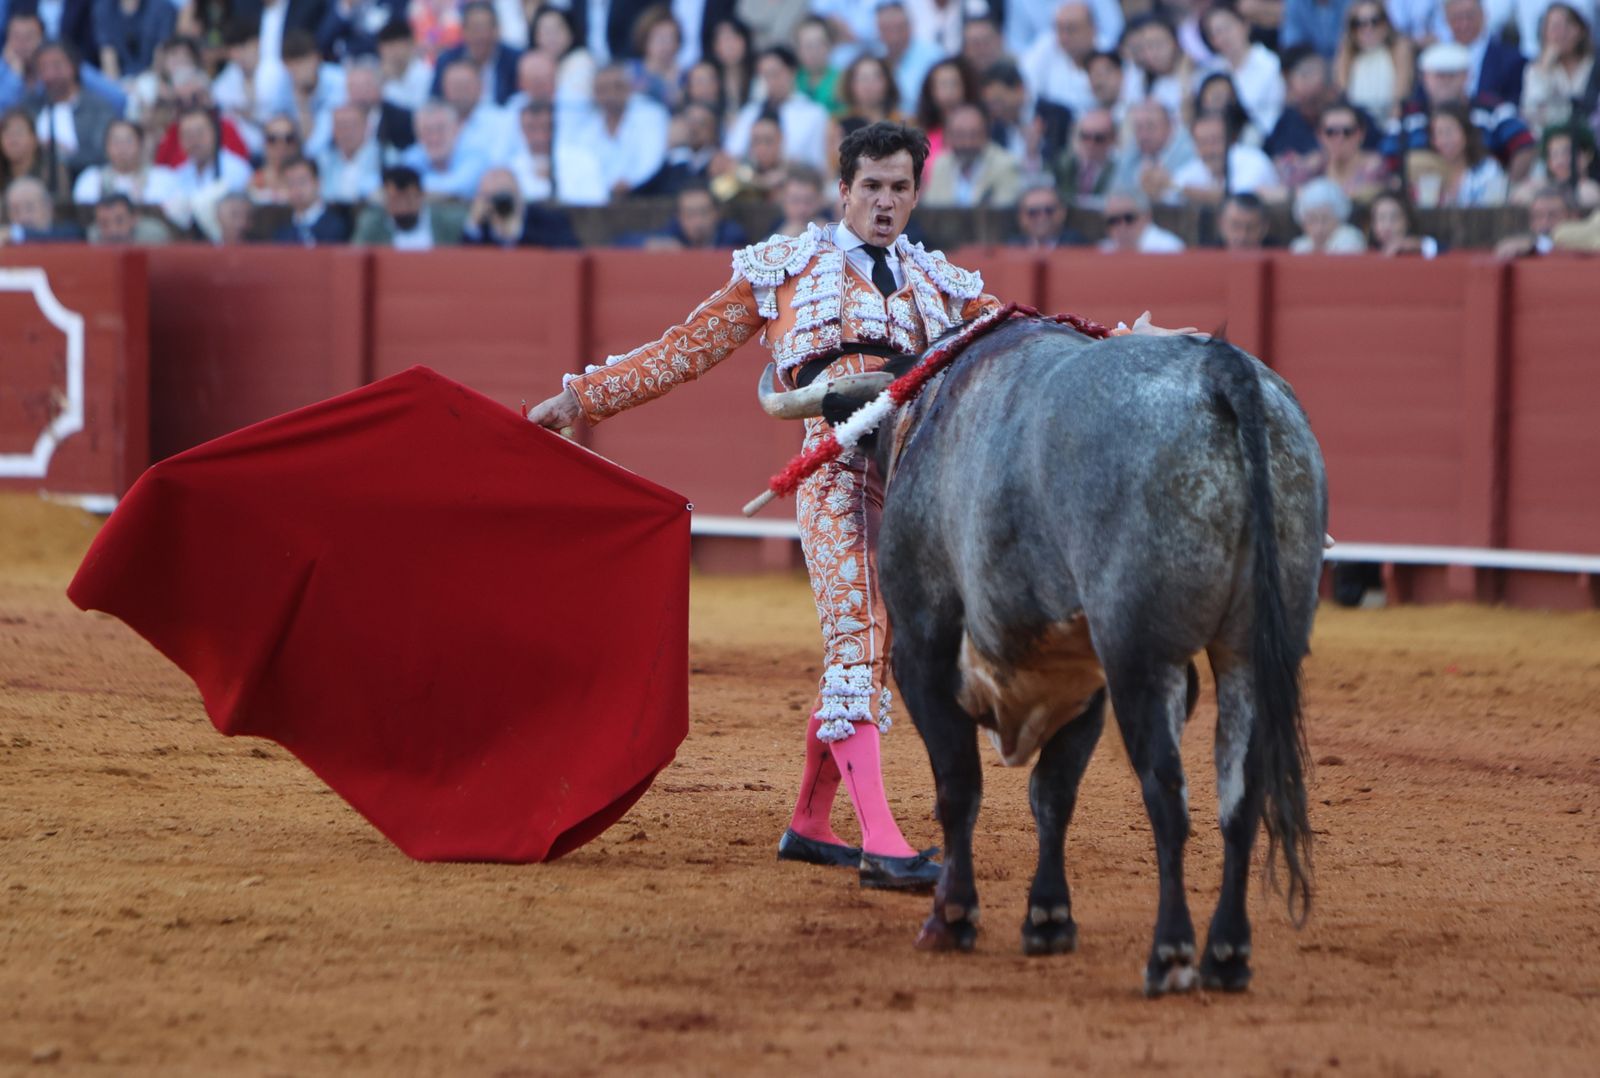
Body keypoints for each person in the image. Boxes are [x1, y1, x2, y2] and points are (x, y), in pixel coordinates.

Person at [523, 123, 1003, 891]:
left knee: (879, 644)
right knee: (860, 637)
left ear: (917, 193)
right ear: (842, 189)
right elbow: (684, 349)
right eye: (871, 186)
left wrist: (1120, 345)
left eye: (899, 188)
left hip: (919, 487)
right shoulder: (785, 267)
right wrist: (581, 398)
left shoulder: (944, 284)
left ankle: (811, 824)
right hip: (832, 472)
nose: (885, 201)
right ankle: (881, 839)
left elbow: (1027, 341)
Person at [573, 62, 670, 199]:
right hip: (598, 197)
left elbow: (651, 158)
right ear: (594, 94)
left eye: (618, 87)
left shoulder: (651, 114)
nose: (611, 94)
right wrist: (605, 186)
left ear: (630, 88)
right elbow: (582, 165)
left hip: (645, 193)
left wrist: (629, 182)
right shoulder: (586, 125)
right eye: (603, 89)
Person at [725, 46, 829, 170]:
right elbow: (732, 153)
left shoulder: (815, 114)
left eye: (775, 74)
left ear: (792, 72)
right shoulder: (749, 112)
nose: (769, 81)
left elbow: (819, 161)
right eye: (764, 75)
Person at [26, 41, 118, 182]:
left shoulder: (97, 108)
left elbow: (104, 153)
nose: (50, 74)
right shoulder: (30, 106)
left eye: (57, 66)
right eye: (43, 68)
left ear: (74, 66)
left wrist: (63, 155)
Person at [1199, 2, 1284, 134]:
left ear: (1245, 26)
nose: (1224, 37)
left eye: (1228, 28)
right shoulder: (1212, 70)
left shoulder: (1268, 63)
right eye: (1217, 33)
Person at [920, 101, 1021, 208]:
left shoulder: (1005, 165)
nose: (967, 143)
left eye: (974, 135)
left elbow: (1003, 213)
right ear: (948, 136)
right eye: (960, 135)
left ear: (985, 135)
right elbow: (931, 209)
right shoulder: (940, 164)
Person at [1172, 110, 1285, 204]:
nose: (1210, 149)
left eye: (1215, 140)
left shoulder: (1254, 161)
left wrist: (1186, 191)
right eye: (1203, 143)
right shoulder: (1194, 167)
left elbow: (1237, 200)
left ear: (1230, 140)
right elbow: (1173, 189)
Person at [1333, 0, 1413, 122]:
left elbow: (1401, 97)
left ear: (1386, 24)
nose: (1367, 28)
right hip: (1358, 126)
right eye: (1359, 23)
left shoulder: (1398, 50)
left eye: (1375, 21)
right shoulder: (1347, 56)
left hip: (1392, 122)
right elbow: (1343, 94)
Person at [351, 163, 467, 247]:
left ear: (421, 196)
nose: (403, 208)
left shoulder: (448, 221)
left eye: (408, 200)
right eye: (396, 200)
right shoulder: (372, 224)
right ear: (385, 199)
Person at [72, 118, 180, 208]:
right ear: (106, 147)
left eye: (128, 141)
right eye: (116, 142)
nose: (122, 148)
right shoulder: (91, 179)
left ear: (141, 145)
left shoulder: (162, 177)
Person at [462, 165, 580, 247]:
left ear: (518, 195)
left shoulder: (550, 221)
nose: (497, 204)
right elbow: (463, 265)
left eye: (503, 195)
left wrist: (517, 232)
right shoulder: (481, 230)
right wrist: (473, 226)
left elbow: (569, 255)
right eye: (488, 197)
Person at [1520, 2, 1594, 133]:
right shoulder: (1534, 70)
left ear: (1581, 30)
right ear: (1544, 33)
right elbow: (1531, 114)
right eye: (1555, 27)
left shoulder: (1593, 66)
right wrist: (1544, 68)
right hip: (1551, 146)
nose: (1561, 34)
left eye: (1568, 26)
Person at [429, 1, 518, 105]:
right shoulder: (447, 61)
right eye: (475, 29)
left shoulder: (515, 60)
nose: (481, 36)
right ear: (463, 31)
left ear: (497, 30)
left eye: (486, 28)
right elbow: (435, 101)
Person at [1444, 0, 1525, 105]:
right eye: (1457, 18)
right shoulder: (1433, 61)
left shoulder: (1511, 61)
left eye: (1469, 16)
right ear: (1447, 20)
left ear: (1483, 15)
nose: (1464, 24)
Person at [1510, 122, 1600, 207]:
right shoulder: (1541, 185)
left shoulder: (1589, 189)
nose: (1560, 160)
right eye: (1554, 154)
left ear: (1587, 155)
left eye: (1567, 152)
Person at [1313, 101, 1385, 202]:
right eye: (1330, 132)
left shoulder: (1375, 168)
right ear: (1319, 135)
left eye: (1347, 132)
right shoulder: (1315, 167)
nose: (1339, 138)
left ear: (1360, 134)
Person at [271, 155, 351, 244]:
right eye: (290, 183)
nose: (296, 189)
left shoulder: (337, 226)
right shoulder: (282, 232)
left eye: (302, 182)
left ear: (317, 183)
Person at [1053, 108, 1118, 207]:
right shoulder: (1063, 165)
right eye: (1085, 137)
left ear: (1112, 139)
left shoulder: (1118, 170)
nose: (1090, 144)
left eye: (1099, 138)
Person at [1495, 184, 1578, 257]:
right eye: (1538, 216)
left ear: (1573, 217)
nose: (1545, 222)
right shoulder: (1526, 243)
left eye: (1553, 215)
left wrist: (1532, 246)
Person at [1288, 176, 1366, 252]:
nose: (1319, 228)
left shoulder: (1349, 240)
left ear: (1338, 219)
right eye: (1312, 220)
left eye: (1325, 220)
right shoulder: (1300, 246)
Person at [1098, 187, 1185, 251]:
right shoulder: (1104, 250)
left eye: (1129, 218)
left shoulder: (1168, 248)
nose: (1121, 227)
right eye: (1112, 221)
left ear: (1147, 217)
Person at [4, 174, 82, 241]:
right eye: (15, 210)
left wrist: (16, 233)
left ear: (47, 208)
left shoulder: (68, 234)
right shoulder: (6, 241)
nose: (23, 217)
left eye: (29, 208)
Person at [1010, 181, 1087, 248]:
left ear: (1062, 213)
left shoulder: (1081, 246)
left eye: (1049, 211)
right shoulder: (1011, 247)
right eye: (1032, 212)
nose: (1042, 217)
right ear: (1021, 217)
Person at [1367, 189, 1439, 255]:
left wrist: (1419, 245)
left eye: (1395, 218)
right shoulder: (1365, 251)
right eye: (1381, 218)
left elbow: (1444, 248)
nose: (1387, 225)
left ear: (1408, 221)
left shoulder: (1419, 249)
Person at [89, 192, 170, 244]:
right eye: (104, 224)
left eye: (119, 221)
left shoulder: (153, 236)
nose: (113, 230)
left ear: (134, 218)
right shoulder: (94, 235)